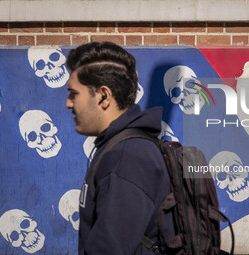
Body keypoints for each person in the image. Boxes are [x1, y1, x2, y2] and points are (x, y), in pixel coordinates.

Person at [66, 41, 174, 255]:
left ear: (103, 96)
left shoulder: (127, 156)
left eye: (74, 94)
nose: (69, 103)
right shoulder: (121, 146)